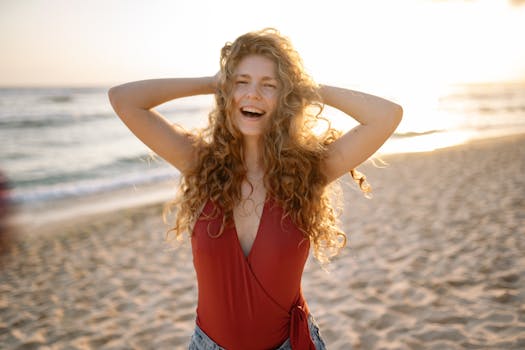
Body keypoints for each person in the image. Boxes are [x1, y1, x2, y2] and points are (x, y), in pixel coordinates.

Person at [108, 28, 402, 350]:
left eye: (269, 86)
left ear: (285, 98)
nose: (253, 95)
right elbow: (124, 99)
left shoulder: (308, 172)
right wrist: (212, 82)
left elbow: (386, 115)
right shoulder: (201, 165)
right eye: (241, 82)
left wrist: (304, 88)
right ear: (226, 91)